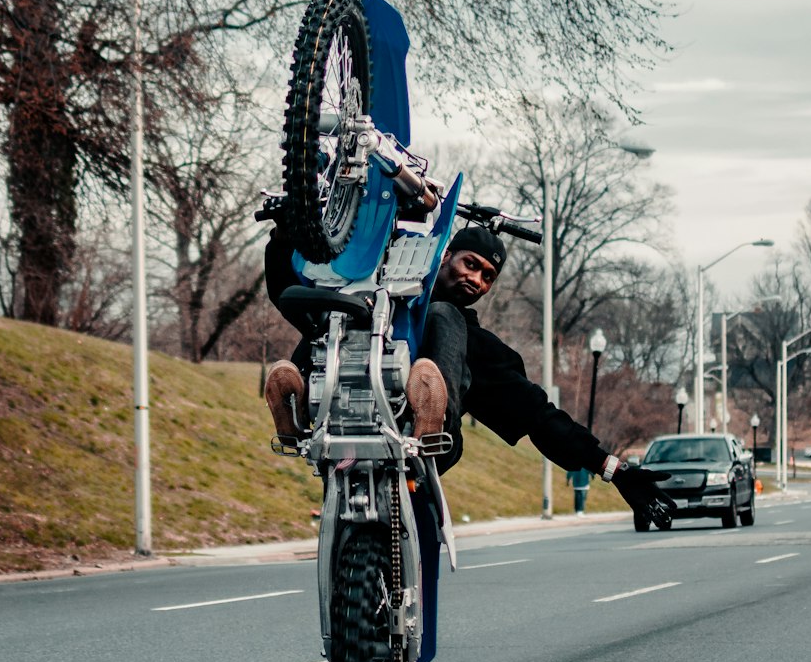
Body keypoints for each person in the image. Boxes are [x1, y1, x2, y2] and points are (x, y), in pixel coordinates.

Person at [263, 221, 673, 522]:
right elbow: (288, 293)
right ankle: (299, 409)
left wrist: (611, 469)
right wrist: (281, 238)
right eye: (470, 264)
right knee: (344, 307)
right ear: (445, 256)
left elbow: (537, 413)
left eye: (487, 277)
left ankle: (430, 409)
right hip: (345, 426)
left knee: (444, 315)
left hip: (434, 445)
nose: (475, 279)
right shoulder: (375, 303)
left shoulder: (473, 344)